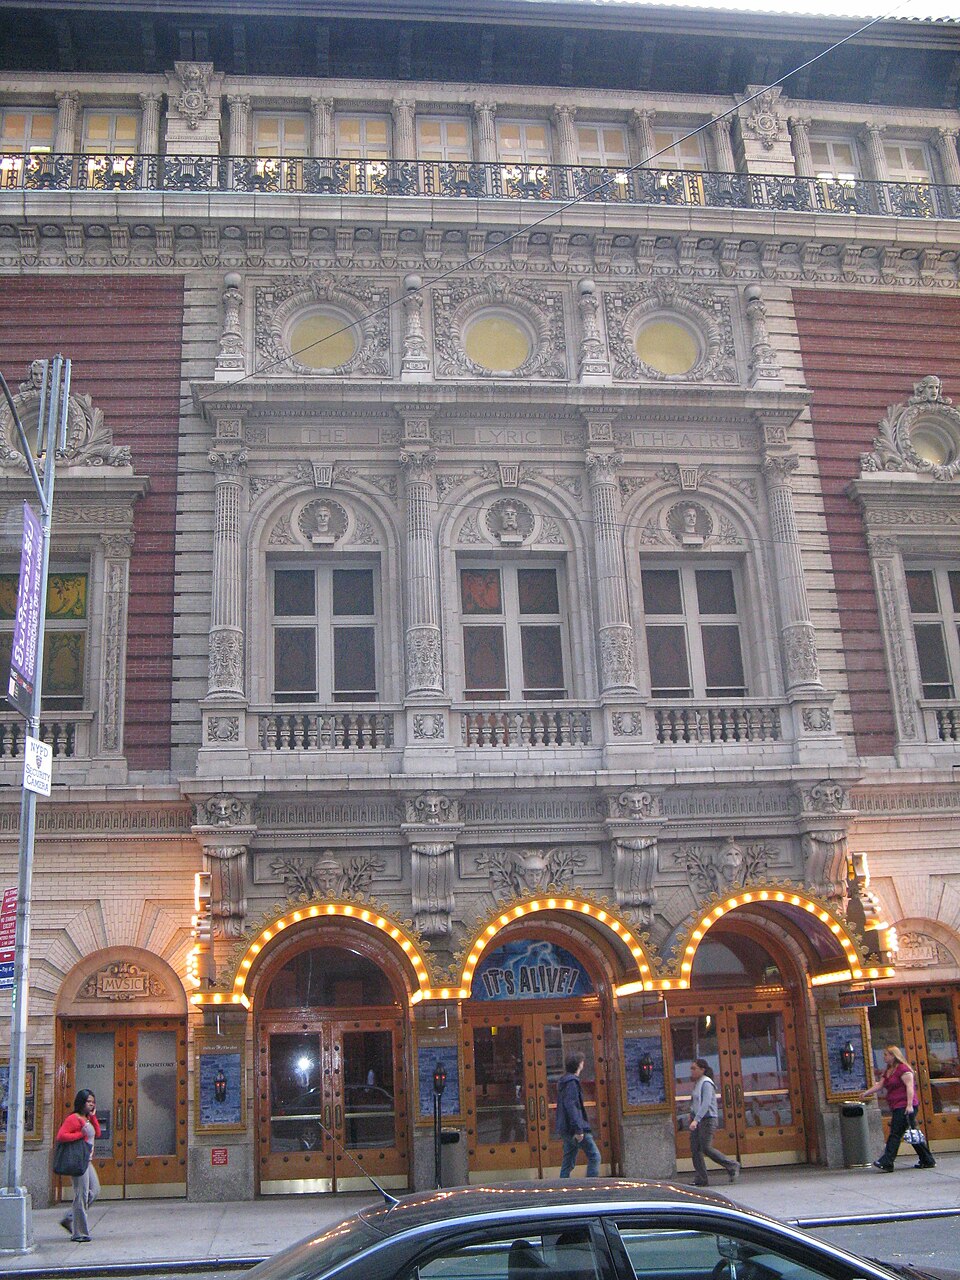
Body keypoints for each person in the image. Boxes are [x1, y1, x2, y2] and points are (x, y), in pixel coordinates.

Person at [862, 1045, 936, 1171]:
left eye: (886, 1054)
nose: (884, 1057)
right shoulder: (889, 1070)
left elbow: (909, 1087)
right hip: (896, 1106)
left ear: (893, 1055)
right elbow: (880, 1085)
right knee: (911, 1133)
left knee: (895, 1133)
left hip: (905, 1106)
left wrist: (909, 1105)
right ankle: (927, 1159)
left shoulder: (903, 1069)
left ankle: (887, 1161)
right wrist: (866, 1093)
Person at [56, 1089, 101, 1242]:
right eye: (88, 1101)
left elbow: (98, 1133)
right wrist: (80, 1135)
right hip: (78, 1160)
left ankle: (70, 1217)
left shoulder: (87, 1118)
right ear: (81, 1102)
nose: (91, 1104)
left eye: (93, 1102)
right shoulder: (73, 1118)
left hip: (87, 1160)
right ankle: (80, 1233)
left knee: (94, 1190)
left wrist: (93, 1117)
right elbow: (61, 1135)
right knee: (80, 1195)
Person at [687, 1059, 740, 1186]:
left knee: (705, 1147)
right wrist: (691, 1113)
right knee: (695, 1148)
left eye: (694, 1068)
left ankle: (732, 1165)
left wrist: (696, 1119)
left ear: (702, 1069)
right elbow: (695, 1101)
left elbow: (706, 1104)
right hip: (698, 1118)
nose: (692, 1071)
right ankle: (701, 1177)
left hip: (707, 1119)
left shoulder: (706, 1083)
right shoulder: (698, 1083)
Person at [555, 1053, 601, 1178]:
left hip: (566, 1128)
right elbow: (572, 1107)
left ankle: (563, 1185)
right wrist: (578, 1129)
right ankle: (591, 1187)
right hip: (575, 1128)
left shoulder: (565, 1081)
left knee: (568, 1160)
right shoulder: (572, 1083)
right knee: (594, 1156)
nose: (583, 1064)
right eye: (582, 1062)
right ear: (579, 1065)